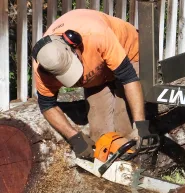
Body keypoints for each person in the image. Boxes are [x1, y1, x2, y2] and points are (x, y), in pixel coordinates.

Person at [32, 8, 158, 159]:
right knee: (100, 136)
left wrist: (141, 126)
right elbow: (47, 105)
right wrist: (75, 138)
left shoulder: (95, 34)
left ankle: (134, 168)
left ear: (74, 44)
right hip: (96, 75)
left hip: (128, 53)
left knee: (124, 124)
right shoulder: (43, 67)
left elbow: (128, 78)